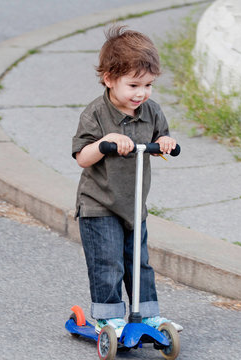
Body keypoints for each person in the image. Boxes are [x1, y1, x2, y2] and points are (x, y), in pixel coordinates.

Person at [71, 24, 182, 337]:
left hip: (133, 204)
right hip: (99, 204)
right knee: (108, 263)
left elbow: (162, 138)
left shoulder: (151, 111)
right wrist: (106, 142)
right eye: (133, 85)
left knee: (139, 262)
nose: (141, 93)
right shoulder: (95, 114)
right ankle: (108, 318)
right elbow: (82, 156)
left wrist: (166, 143)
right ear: (109, 79)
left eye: (147, 85)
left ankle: (146, 315)